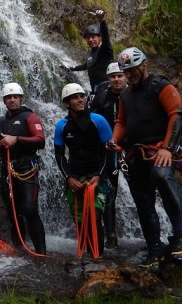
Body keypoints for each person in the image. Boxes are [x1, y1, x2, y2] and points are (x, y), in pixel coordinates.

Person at [109, 47, 182, 270]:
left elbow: (176, 116)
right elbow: (122, 122)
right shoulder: (125, 95)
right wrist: (115, 140)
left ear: (144, 65)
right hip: (136, 153)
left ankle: (181, 238)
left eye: (132, 70)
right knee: (143, 202)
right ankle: (154, 251)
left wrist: (168, 148)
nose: (129, 75)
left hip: (161, 149)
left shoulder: (162, 87)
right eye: (125, 71)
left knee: (163, 178)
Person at [0, 82, 47, 255]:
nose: (12, 100)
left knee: (29, 208)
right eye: (9, 98)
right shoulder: (1, 122)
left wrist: (16, 139)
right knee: (13, 211)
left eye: (15, 97)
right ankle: (19, 248)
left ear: (21, 99)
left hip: (27, 169)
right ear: (4, 101)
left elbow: (40, 140)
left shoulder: (30, 117)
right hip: (7, 170)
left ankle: (41, 251)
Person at [54, 83, 113, 258]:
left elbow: (108, 151)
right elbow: (59, 155)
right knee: (80, 221)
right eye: (75, 97)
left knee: (94, 218)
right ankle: (86, 255)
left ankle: (97, 257)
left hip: (96, 176)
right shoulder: (61, 126)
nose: (80, 100)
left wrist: (99, 176)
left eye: (81, 96)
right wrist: (68, 178)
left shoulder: (98, 121)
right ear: (66, 103)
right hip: (75, 177)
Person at [88, 61, 127, 249]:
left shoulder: (133, 95)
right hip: (107, 149)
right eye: (113, 76)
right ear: (108, 79)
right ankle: (110, 235)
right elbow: (90, 120)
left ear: (126, 76)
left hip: (131, 148)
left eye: (120, 75)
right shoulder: (102, 96)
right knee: (109, 189)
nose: (117, 79)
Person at [66, 9, 114, 91]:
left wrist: (101, 21)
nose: (90, 40)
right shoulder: (90, 53)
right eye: (88, 38)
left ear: (100, 38)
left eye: (93, 37)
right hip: (95, 90)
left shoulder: (105, 49)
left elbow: (106, 36)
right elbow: (85, 66)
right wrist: (70, 68)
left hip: (107, 88)